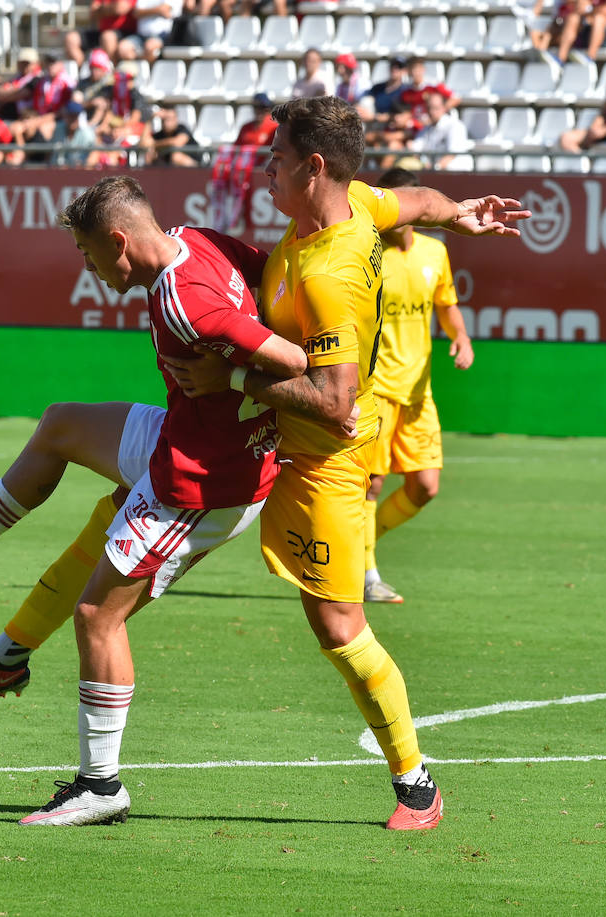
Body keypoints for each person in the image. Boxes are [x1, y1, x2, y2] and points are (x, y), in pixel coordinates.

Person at [0, 174, 312, 826]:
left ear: (118, 240)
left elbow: (295, 361)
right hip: (187, 436)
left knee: (97, 616)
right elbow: (272, 271)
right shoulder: (195, 241)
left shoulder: (183, 305)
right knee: (62, 425)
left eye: (87, 255)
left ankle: (100, 785)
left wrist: (229, 374)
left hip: (202, 484)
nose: (89, 270)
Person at [164, 96, 527, 831]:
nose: (267, 167)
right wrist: (461, 212)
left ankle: (417, 785)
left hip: (322, 462)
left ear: (314, 166)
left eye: (278, 156)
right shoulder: (356, 202)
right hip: (281, 448)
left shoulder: (331, 274)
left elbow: (334, 402)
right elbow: (416, 199)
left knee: (339, 626)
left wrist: (231, 381)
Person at [359, 168, 472, 605]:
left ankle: (364, 542)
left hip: (418, 390)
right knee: (372, 484)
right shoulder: (368, 255)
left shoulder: (434, 253)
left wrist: (460, 336)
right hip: (378, 389)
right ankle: (367, 575)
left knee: (425, 487)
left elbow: (447, 304)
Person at [409, 91, 469, 170]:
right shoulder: (426, 128)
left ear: (444, 108)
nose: (431, 112)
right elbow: (414, 149)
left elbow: (452, 155)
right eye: (429, 108)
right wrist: (426, 164)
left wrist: (435, 168)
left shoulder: (455, 126)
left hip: (455, 175)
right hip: (434, 173)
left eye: (435, 108)